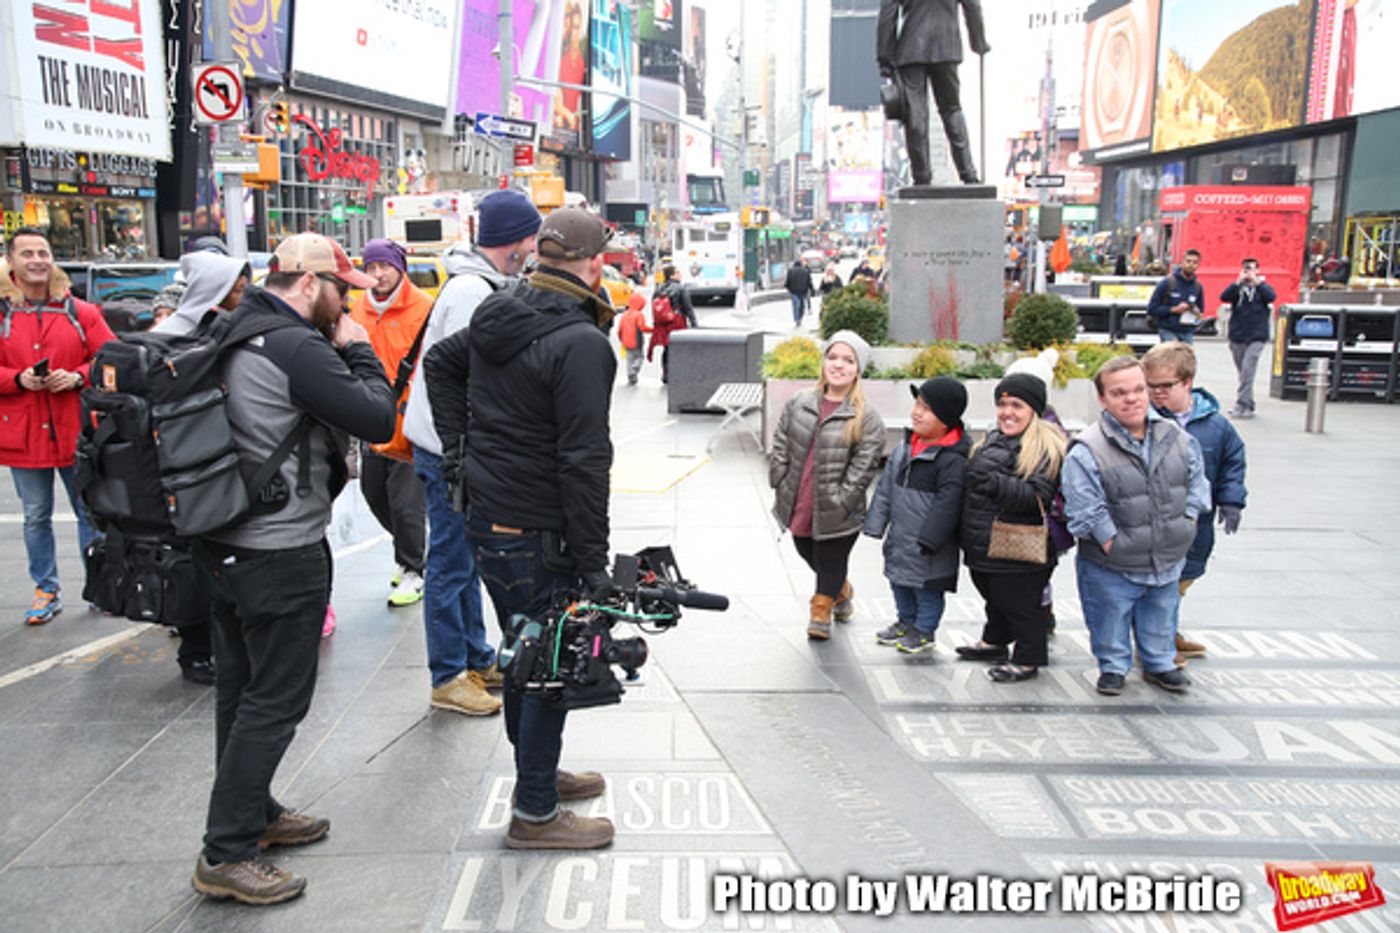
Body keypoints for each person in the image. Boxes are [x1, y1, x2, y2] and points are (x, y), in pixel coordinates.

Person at [190, 234, 394, 904]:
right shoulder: (296, 344)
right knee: (277, 698)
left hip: (222, 539)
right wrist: (359, 347)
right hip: (279, 548)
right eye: (342, 290)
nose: (347, 304)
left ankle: (253, 813)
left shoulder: (231, 326)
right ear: (309, 284)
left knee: (241, 692)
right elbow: (376, 415)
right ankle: (226, 852)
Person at [423, 207, 618, 850]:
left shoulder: (500, 308)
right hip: (536, 529)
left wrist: (459, 452)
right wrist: (594, 560)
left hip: (491, 519)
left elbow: (440, 366)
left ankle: (539, 775)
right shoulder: (582, 341)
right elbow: (585, 460)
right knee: (548, 666)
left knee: (523, 654)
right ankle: (534, 812)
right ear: (594, 265)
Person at [402, 188, 542, 717]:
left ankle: (475, 658)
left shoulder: (481, 283)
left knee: (464, 560)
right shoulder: (470, 292)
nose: (533, 248)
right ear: (517, 242)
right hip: (448, 451)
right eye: (531, 236)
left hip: (451, 448)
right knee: (450, 563)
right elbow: (461, 381)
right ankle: (447, 675)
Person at [1063, 356, 1210, 697]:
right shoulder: (1087, 449)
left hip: (1168, 554)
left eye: (1138, 389)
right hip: (1112, 560)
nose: (1131, 398)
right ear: (1102, 399)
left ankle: (1160, 664)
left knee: (1161, 613)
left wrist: (1185, 525)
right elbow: (1085, 508)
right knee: (1109, 616)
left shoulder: (1177, 437)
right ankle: (1113, 666)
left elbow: (1197, 487)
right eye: (1119, 393)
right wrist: (1112, 541)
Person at [0, 227, 114, 625]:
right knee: (35, 515)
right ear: (11, 260)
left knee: (89, 512)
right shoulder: (3, 313)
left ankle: (100, 586)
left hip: (73, 430)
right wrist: (17, 379)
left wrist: (79, 376)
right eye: (27, 253)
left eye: (43, 252)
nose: (37, 260)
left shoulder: (79, 310)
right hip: (24, 433)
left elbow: (111, 357)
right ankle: (45, 589)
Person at [769, 330, 885, 640]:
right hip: (799, 494)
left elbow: (865, 466)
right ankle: (841, 590)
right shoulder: (800, 401)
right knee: (805, 547)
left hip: (838, 506)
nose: (838, 365)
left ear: (858, 369)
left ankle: (820, 610)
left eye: (848, 360)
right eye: (833, 357)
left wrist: (842, 498)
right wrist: (778, 475)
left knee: (830, 557)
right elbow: (780, 439)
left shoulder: (866, 416)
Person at [954, 373, 1067, 682]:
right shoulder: (995, 437)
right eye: (1002, 404)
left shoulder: (1045, 445)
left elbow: (1037, 496)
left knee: (1019, 603)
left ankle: (1028, 658)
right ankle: (994, 641)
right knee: (996, 595)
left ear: (1034, 409)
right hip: (988, 541)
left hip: (1018, 544)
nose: (1007, 412)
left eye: (1017, 405)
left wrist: (994, 484)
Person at [1143, 343, 1246, 667]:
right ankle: (1158, 642)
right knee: (1163, 583)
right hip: (1157, 519)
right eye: (1151, 386)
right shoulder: (1144, 419)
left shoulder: (1216, 425)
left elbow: (1232, 462)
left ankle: (1165, 631)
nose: (1156, 393)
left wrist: (1231, 501)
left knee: (1186, 576)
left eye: (1165, 386)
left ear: (1187, 382)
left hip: (1197, 519)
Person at [349, 238, 432, 607]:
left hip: (409, 422)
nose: (378, 274)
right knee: (373, 494)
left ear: (400, 268)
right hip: (371, 419)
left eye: (384, 266)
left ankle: (414, 568)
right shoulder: (357, 310)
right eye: (371, 267)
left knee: (405, 502)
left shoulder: (424, 308)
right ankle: (410, 550)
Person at [864, 376, 969, 654]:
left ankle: (924, 630)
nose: (916, 412)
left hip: (928, 545)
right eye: (917, 404)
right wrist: (876, 524)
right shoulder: (905, 447)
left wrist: (931, 539)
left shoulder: (952, 459)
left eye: (926, 408)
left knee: (927, 589)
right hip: (901, 537)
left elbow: (949, 503)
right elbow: (885, 488)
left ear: (945, 419)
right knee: (898, 581)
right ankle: (905, 621)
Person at [877, 0, 989, 185]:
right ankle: (968, 172)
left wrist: (885, 57)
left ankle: (921, 176)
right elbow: (972, 5)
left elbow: (888, 12)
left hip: (911, 48)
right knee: (952, 109)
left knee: (915, 114)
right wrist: (978, 42)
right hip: (947, 47)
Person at [1220, 257, 1275, 419]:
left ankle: (1241, 404)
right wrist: (1238, 282)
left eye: (1252, 269)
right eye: (1246, 269)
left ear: (1258, 270)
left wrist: (1257, 282)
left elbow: (1271, 296)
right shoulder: (1238, 289)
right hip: (1238, 335)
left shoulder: (1263, 288)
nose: (1249, 273)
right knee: (1243, 372)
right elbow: (1224, 296)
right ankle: (1249, 402)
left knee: (1248, 369)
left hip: (1256, 336)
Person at [154, 252, 249, 336]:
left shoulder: (236, 328)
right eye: (239, 290)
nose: (245, 297)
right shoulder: (167, 334)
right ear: (216, 292)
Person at [1147, 248, 1204, 343]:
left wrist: (1195, 311)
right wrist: (1174, 309)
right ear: (1182, 262)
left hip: (1187, 332)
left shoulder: (1197, 287)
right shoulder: (1167, 282)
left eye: (1195, 262)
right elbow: (1152, 309)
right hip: (1168, 329)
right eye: (1188, 261)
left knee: (1186, 357)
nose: (1191, 265)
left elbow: (1200, 311)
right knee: (1173, 354)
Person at [647, 265, 691, 383]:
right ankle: (677, 372)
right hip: (677, 322)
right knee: (679, 348)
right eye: (677, 272)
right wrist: (694, 324)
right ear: (671, 275)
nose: (680, 274)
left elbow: (654, 306)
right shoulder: (681, 288)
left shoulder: (658, 289)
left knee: (666, 348)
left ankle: (666, 373)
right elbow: (688, 308)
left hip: (662, 324)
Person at [617, 289, 652, 385]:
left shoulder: (624, 315)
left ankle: (630, 376)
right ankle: (634, 369)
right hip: (636, 341)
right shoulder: (639, 315)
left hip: (626, 342)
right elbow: (642, 327)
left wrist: (621, 340)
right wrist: (653, 330)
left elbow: (619, 330)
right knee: (639, 357)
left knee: (629, 359)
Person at [784, 257, 813, 327]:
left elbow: (787, 282)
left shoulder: (790, 271)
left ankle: (797, 319)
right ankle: (800, 317)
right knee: (802, 305)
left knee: (795, 305)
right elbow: (809, 282)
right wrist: (811, 289)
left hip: (794, 292)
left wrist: (789, 289)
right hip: (803, 291)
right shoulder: (806, 271)